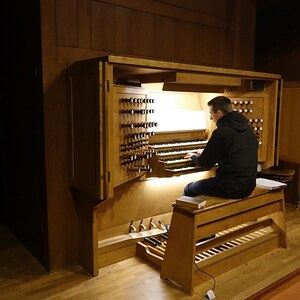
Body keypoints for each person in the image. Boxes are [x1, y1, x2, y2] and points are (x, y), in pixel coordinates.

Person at [183, 96, 258, 199]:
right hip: (248, 185)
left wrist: (193, 157)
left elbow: (205, 163)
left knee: (189, 188)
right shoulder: (247, 128)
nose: (210, 117)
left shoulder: (222, 131)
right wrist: (208, 153)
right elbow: (234, 152)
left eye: (211, 113)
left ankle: (195, 215)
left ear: (219, 113)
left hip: (229, 187)